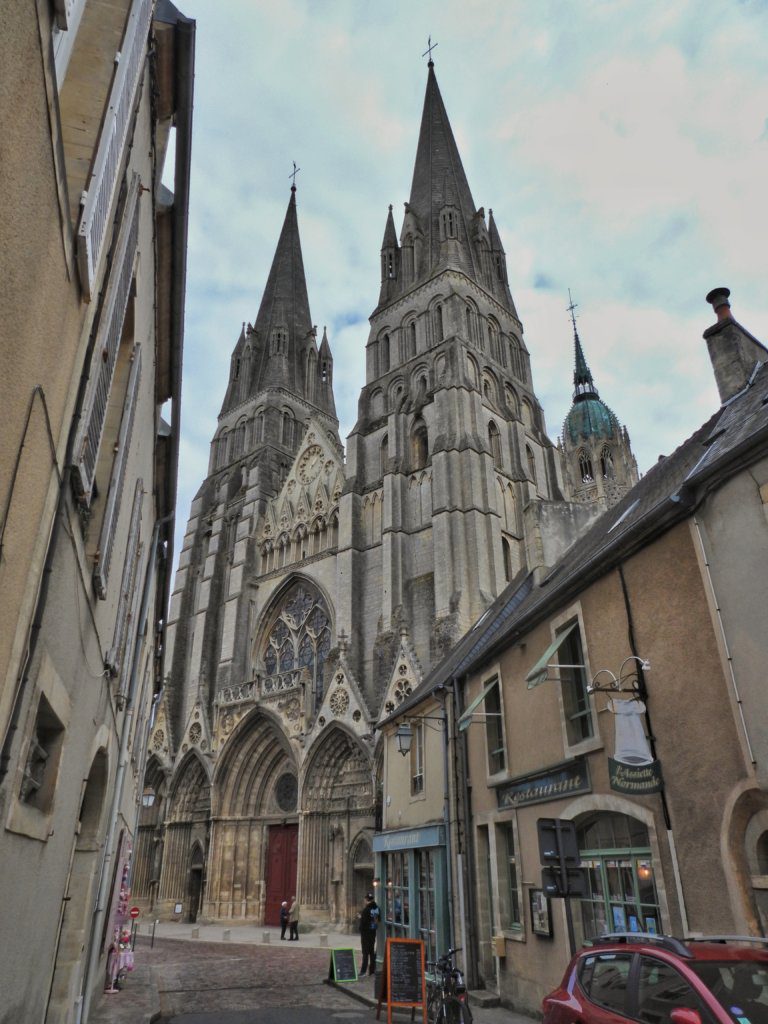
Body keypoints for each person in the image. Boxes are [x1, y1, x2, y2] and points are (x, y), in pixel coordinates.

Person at [359, 891, 379, 977]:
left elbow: (363, 923)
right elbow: (377, 919)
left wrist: (360, 918)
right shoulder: (376, 908)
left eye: (365, 899)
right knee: (371, 951)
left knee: (365, 952)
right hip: (373, 932)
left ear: (367, 899)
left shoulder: (366, 910)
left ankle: (363, 971)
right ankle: (372, 970)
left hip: (366, 933)